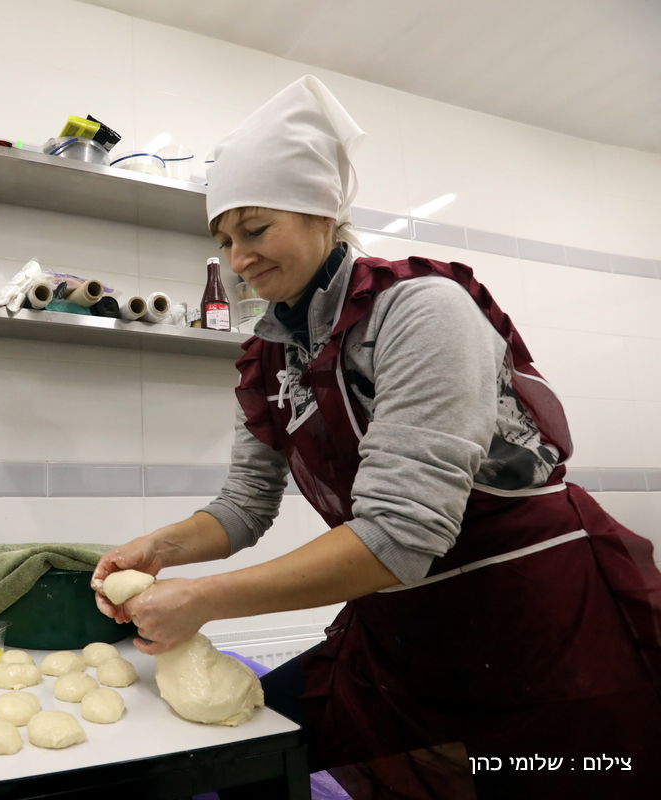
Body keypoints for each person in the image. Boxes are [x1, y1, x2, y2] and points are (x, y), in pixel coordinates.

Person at [92, 75, 661, 798]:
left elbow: (402, 529)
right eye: (226, 239)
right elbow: (244, 505)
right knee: (249, 757)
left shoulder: (421, 310)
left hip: (539, 627)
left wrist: (203, 600)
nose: (238, 260)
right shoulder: (269, 355)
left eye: (257, 229)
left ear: (325, 213)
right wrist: (159, 550)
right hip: (405, 629)